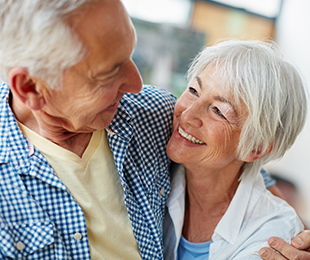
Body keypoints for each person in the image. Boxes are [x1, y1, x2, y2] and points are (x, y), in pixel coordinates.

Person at [0, 0, 309, 259]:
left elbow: (240, 159)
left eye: (130, 56)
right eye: (110, 71)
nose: (137, 84)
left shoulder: (152, 112)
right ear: (30, 87)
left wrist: (291, 232)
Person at [163, 40, 309, 259]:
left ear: (256, 148)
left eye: (218, 111)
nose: (187, 115)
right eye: (194, 90)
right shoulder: (154, 160)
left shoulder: (275, 237)